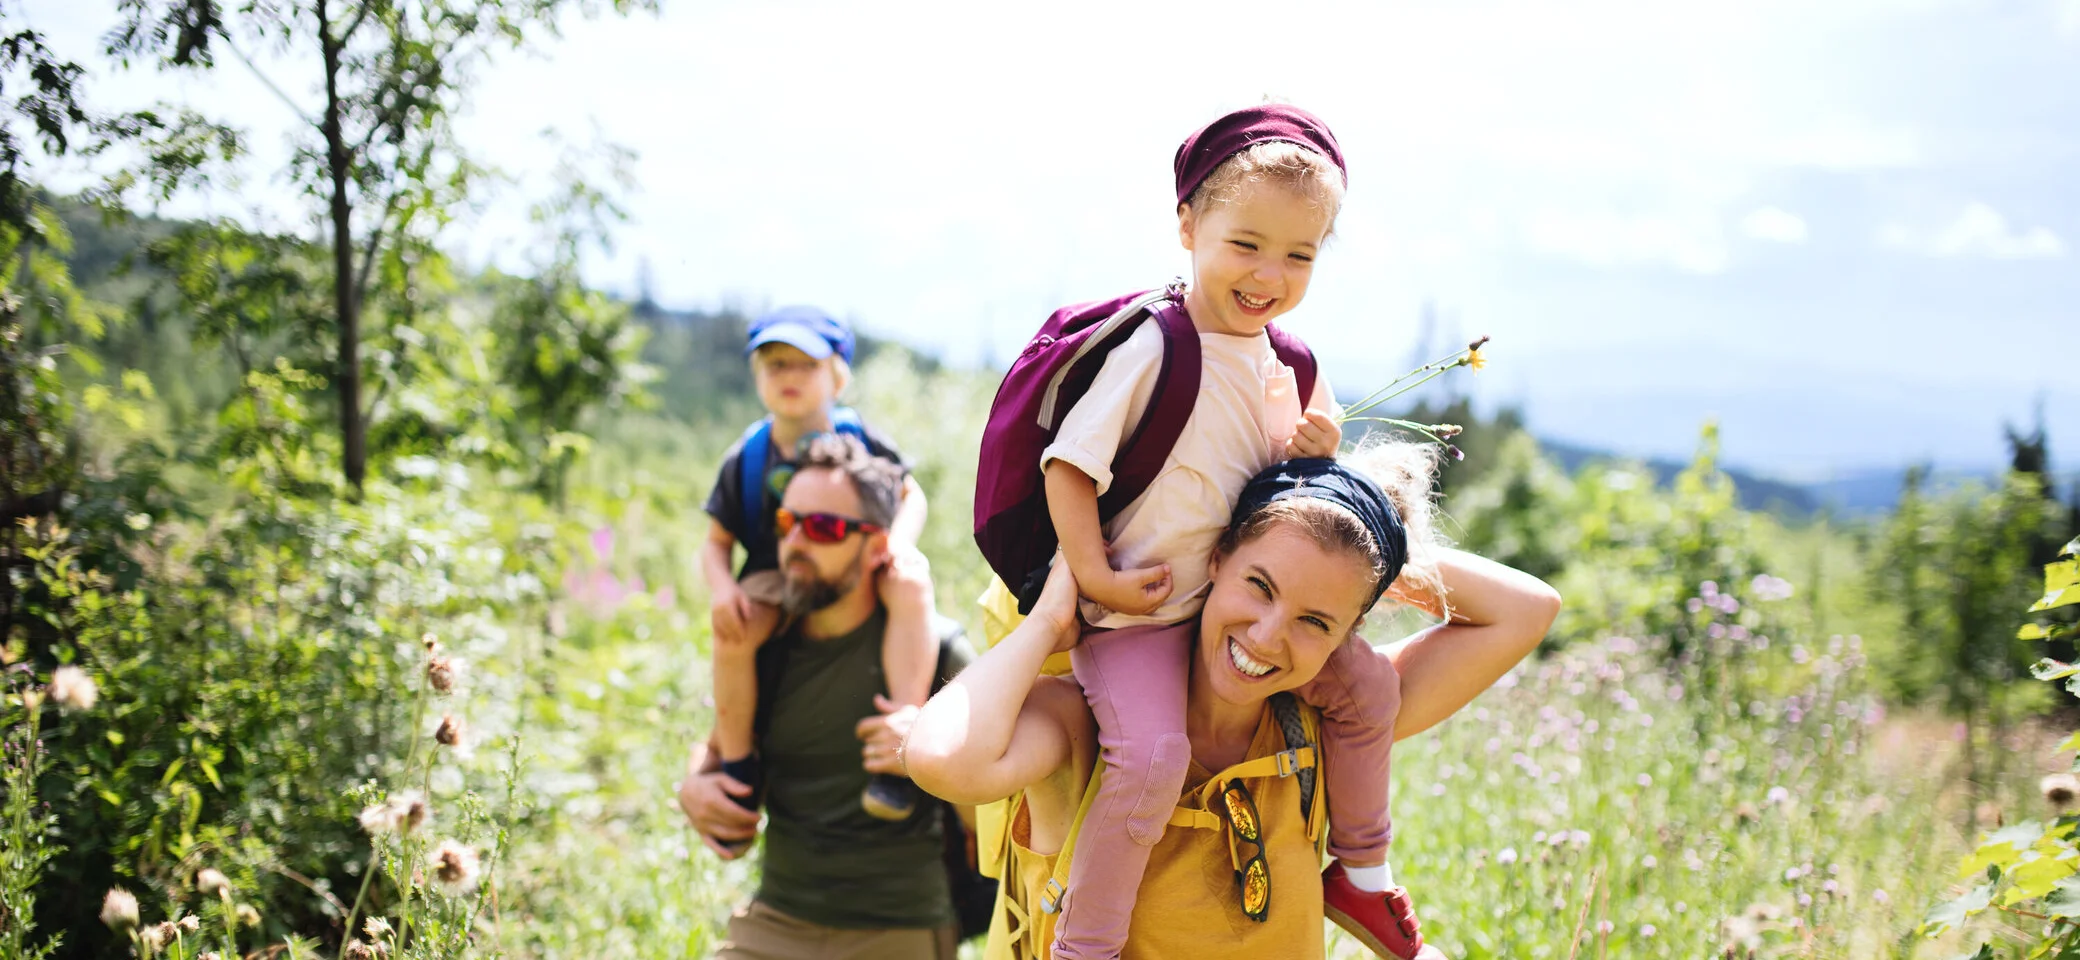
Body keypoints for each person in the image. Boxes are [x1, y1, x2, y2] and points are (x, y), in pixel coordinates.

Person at [1000, 103, 1430, 958]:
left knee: (1369, 687)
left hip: (1225, 607)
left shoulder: (1290, 362)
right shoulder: (1155, 348)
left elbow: (1278, 491)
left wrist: (1316, 447)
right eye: (1247, 244)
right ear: (1189, 225)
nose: (1269, 273)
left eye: (1299, 255)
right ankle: (1086, 945)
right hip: (1140, 617)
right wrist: (1096, 576)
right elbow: (1070, 466)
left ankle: (1362, 872)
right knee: (1153, 757)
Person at [911, 448, 1562, 959]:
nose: (1267, 636)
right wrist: (1050, 620)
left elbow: (1527, 610)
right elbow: (941, 759)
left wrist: (1363, 541)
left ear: (1346, 637)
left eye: (1316, 620)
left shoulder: (1325, 730)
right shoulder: (1090, 725)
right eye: (1260, 584)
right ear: (1215, 558)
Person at [681, 434, 973, 959]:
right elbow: (717, 747)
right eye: (787, 524)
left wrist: (935, 752)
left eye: (823, 528)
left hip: (899, 930)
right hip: (776, 920)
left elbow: (995, 819)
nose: (796, 544)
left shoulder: (939, 653)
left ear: (878, 546)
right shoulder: (763, 649)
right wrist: (694, 785)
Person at [700, 307, 937, 823]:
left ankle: (898, 742)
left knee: (911, 584)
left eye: (804, 365)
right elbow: (716, 542)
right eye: (774, 364)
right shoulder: (747, 456)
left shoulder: (862, 439)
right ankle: (739, 765)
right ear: (757, 376)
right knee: (733, 634)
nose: (788, 377)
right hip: (774, 572)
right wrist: (723, 590)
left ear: (837, 376)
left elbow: (910, 494)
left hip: (856, 561)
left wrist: (897, 542)